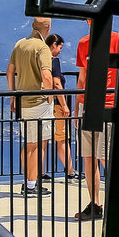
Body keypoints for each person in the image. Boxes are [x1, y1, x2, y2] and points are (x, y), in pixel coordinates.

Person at [74, 19, 119, 222]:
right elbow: (82, 77)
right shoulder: (84, 43)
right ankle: (95, 204)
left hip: (109, 105)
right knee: (89, 156)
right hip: (88, 104)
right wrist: (77, 107)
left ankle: (114, 203)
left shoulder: (118, 40)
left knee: (105, 157)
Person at [6, 18, 54, 196]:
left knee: (29, 144)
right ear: (47, 27)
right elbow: (46, 75)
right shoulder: (43, 48)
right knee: (37, 145)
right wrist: (50, 97)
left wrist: (13, 96)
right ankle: (32, 185)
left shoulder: (19, 45)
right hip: (39, 103)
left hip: (22, 102)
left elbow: (9, 72)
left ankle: (29, 181)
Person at [46, 34, 74, 184]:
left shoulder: (41, 60)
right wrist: (64, 105)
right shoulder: (53, 61)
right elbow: (57, 83)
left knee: (40, 140)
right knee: (62, 138)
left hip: (43, 103)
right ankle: (70, 171)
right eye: (60, 47)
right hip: (56, 104)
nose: (60, 51)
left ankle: (39, 173)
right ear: (54, 45)